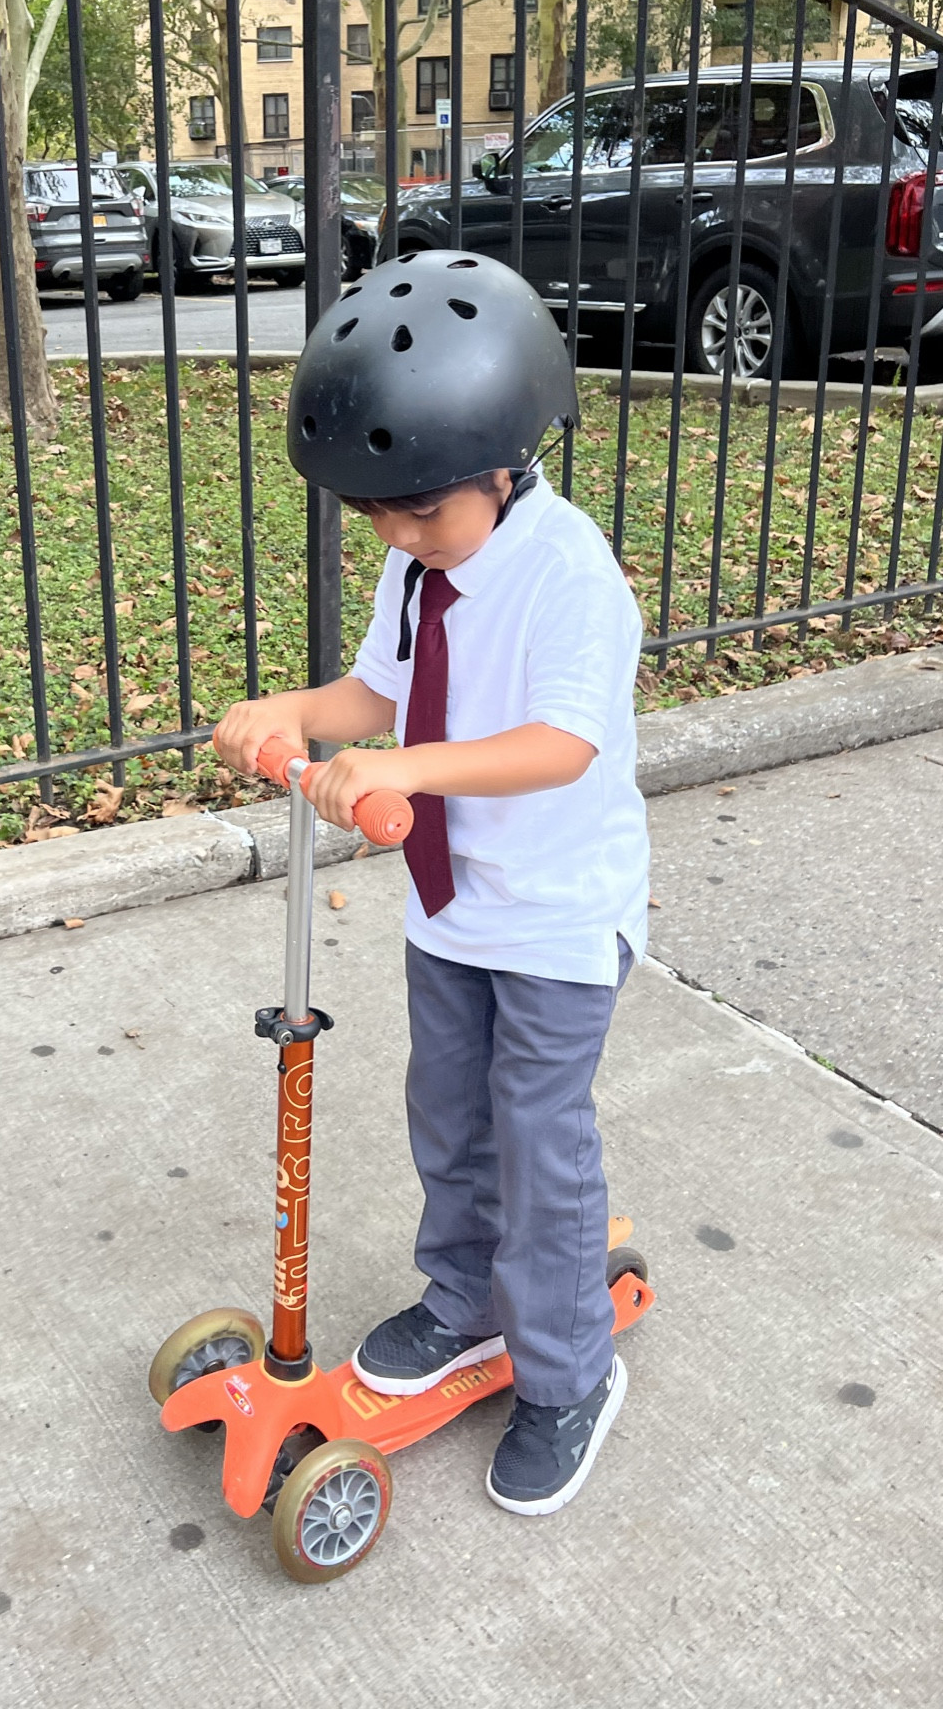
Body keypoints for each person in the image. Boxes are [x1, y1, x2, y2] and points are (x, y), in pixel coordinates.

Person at [212, 249, 650, 1517]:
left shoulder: (570, 574)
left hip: (558, 917)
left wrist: (402, 764)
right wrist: (294, 710)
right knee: (449, 1116)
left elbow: (560, 743)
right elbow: (379, 690)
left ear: (505, 462)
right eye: (378, 518)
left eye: (419, 514)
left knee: (538, 1138)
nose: (399, 538)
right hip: (453, 904)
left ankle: (570, 1371)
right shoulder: (419, 563)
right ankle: (465, 1298)